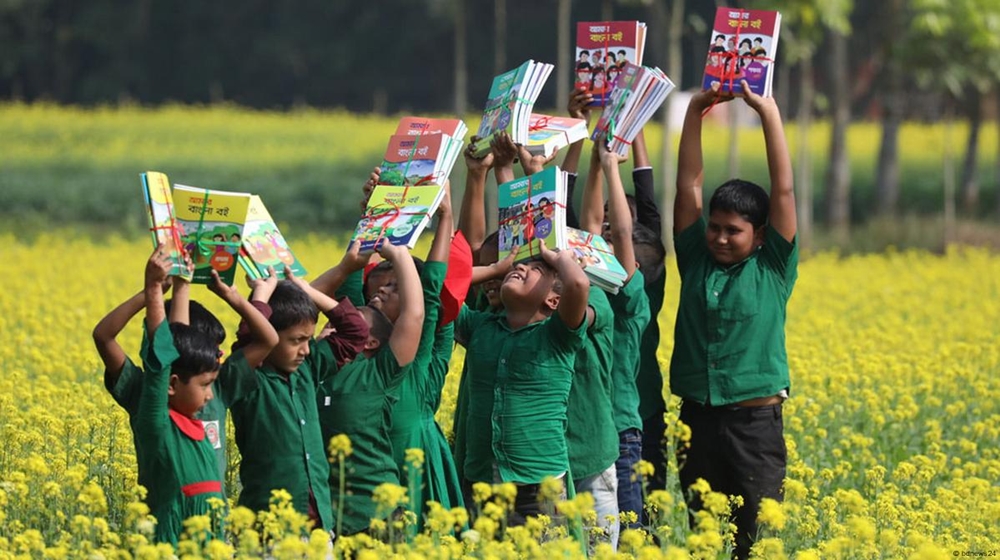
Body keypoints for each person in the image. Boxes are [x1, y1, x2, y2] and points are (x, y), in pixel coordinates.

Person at [672, 80, 797, 559]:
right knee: (704, 540)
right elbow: (688, 186)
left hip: (754, 427)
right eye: (715, 228)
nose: (720, 237)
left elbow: (783, 187)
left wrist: (767, 112)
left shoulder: (773, 267)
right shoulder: (695, 259)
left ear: (761, 235)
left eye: (733, 231)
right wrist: (696, 113)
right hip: (697, 421)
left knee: (755, 543)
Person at [131, 247, 277, 545]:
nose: (210, 396)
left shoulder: (197, 426)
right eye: (205, 384)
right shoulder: (157, 425)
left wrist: (185, 282)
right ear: (171, 385)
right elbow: (161, 358)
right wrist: (154, 289)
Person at [217, 250, 370, 534]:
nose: (306, 349)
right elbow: (252, 336)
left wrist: (307, 290)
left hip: (317, 526)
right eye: (296, 340)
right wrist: (259, 298)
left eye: (309, 339)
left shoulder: (307, 369)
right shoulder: (249, 379)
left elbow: (355, 331)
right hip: (269, 530)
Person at [311, 240, 425, 537]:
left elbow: (413, 315)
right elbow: (298, 307)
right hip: (322, 520)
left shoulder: (378, 373)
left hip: (376, 518)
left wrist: (399, 254)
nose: (330, 327)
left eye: (348, 326)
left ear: (370, 342)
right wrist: (347, 266)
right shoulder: (310, 370)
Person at [94, 262, 231, 486]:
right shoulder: (141, 391)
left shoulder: (212, 387)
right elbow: (103, 337)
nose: (215, 356)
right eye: (208, 350)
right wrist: (151, 293)